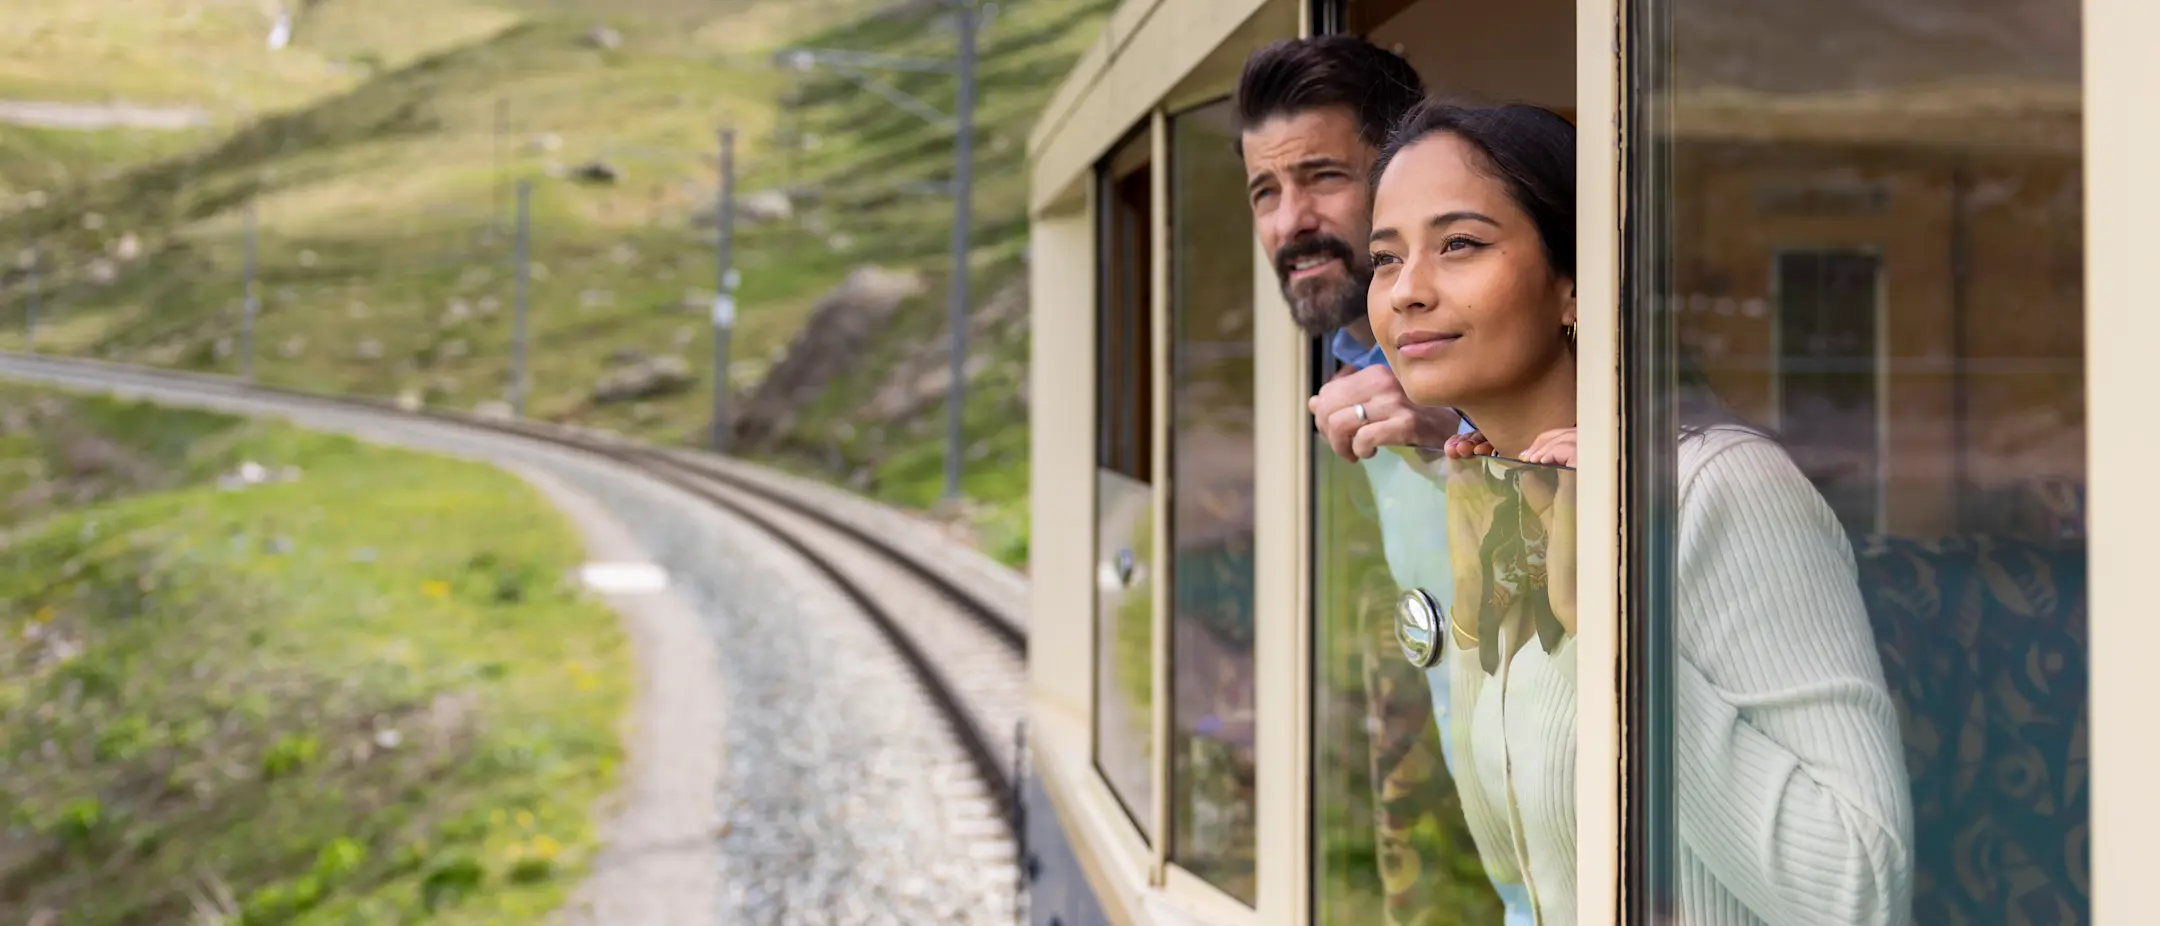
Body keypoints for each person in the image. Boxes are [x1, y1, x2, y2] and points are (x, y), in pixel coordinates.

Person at [1367, 98, 1914, 924]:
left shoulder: (1720, 488)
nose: (1407, 291)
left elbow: (1858, 889)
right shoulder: (1507, 493)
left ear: (1574, 283)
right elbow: (1520, 872)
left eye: (1460, 244)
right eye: (1385, 258)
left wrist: (1610, 629)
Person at [1233, 37, 1530, 926]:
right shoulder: (1344, 366)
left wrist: (1468, 432)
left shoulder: (1546, 352)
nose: (1290, 222)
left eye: (1322, 177)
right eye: (1264, 191)